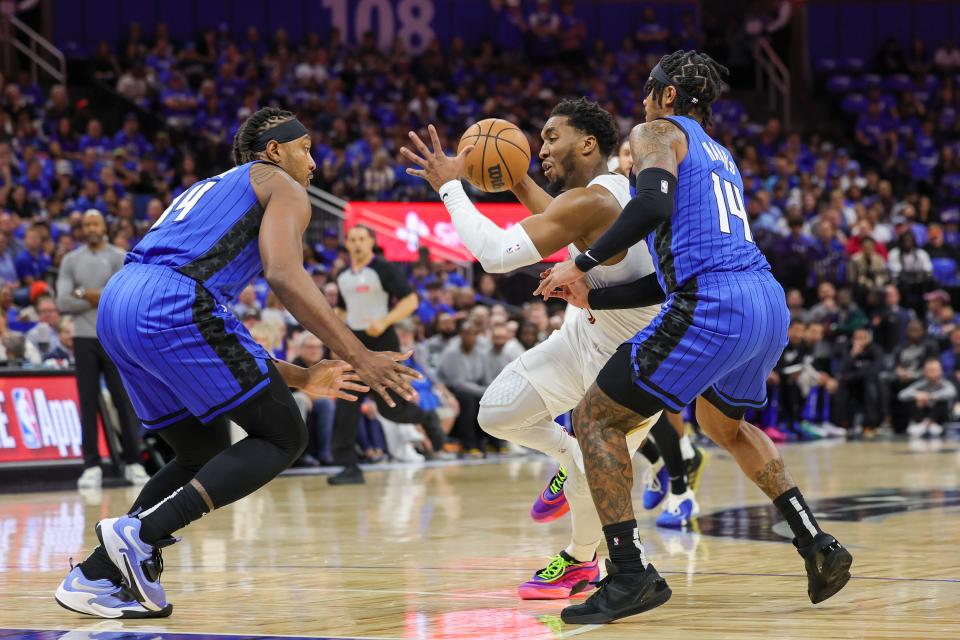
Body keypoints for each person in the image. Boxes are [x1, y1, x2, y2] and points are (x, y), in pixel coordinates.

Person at [55, 107, 419, 620]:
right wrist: (356, 353)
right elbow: (284, 274)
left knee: (199, 450)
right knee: (284, 435)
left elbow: (221, 337)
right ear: (275, 149)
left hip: (121, 301)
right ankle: (142, 534)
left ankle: (95, 576)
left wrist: (304, 376)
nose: (313, 163)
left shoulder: (212, 187)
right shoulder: (280, 184)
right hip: (172, 302)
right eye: (305, 148)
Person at [536, 50, 851, 623]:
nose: (642, 102)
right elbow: (665, 272)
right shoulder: (719, 154)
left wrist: (581, 263)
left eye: (648, 90)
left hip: (714, 302)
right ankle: (816, 542)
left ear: (669, 97)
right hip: (764, 300)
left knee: (595, 419)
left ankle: (629, 574)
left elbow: (652, 204)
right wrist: (596, 296)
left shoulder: (657, 132)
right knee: (722, 425)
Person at [401, 98, 702, 600]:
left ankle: (581, 561)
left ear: (588, 144)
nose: (540, 147)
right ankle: (566, 456)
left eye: (549, 137)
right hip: (582, 337)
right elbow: (561, 218)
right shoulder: (601, 195)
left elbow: (496, 256)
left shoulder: (598, 201)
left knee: (595, 467)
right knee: (495, 413)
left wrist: (449, 186)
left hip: (630, 362)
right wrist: (518, 180)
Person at [330, 224, 444, 485]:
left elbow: (411, 300)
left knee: (391, 409)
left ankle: (425, 416)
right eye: (352, 239)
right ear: (347, 244)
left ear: (371, 242)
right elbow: (343, 311)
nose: (357, 243)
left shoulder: (384, 268)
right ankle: (349, 467)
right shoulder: (343, 276)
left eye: (362, 238)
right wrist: (334, 338)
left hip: (383, 343)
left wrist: (384, 321)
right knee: (346, 406)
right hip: (353, 347)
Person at [57, 210, 148, 488]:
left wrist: (84, 292)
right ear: (81, 229)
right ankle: (91, 465)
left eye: (95, 223)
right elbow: (62, 302)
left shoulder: (120, 256)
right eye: (86, 224)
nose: (91, 228)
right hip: (84, 338)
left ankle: (134, 462)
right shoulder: (71, 259)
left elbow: (123, 296)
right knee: (87, 401)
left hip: (112, 336)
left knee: (124, 400)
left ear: (103, 226)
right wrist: (101, 293)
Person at [898, 359, 955, 438]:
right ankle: (922, 424)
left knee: (943, 401)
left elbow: (951, 392)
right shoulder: (921, 384)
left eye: (934, 370)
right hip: (922, 414)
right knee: (911, 400)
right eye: (929, 370)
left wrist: (930, 396)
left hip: (940, 419)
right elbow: (902, 395)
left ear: (941, 371)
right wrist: (917, 395)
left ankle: (930, 424)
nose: (932, 373)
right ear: (924, 371)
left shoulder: (946, 384)